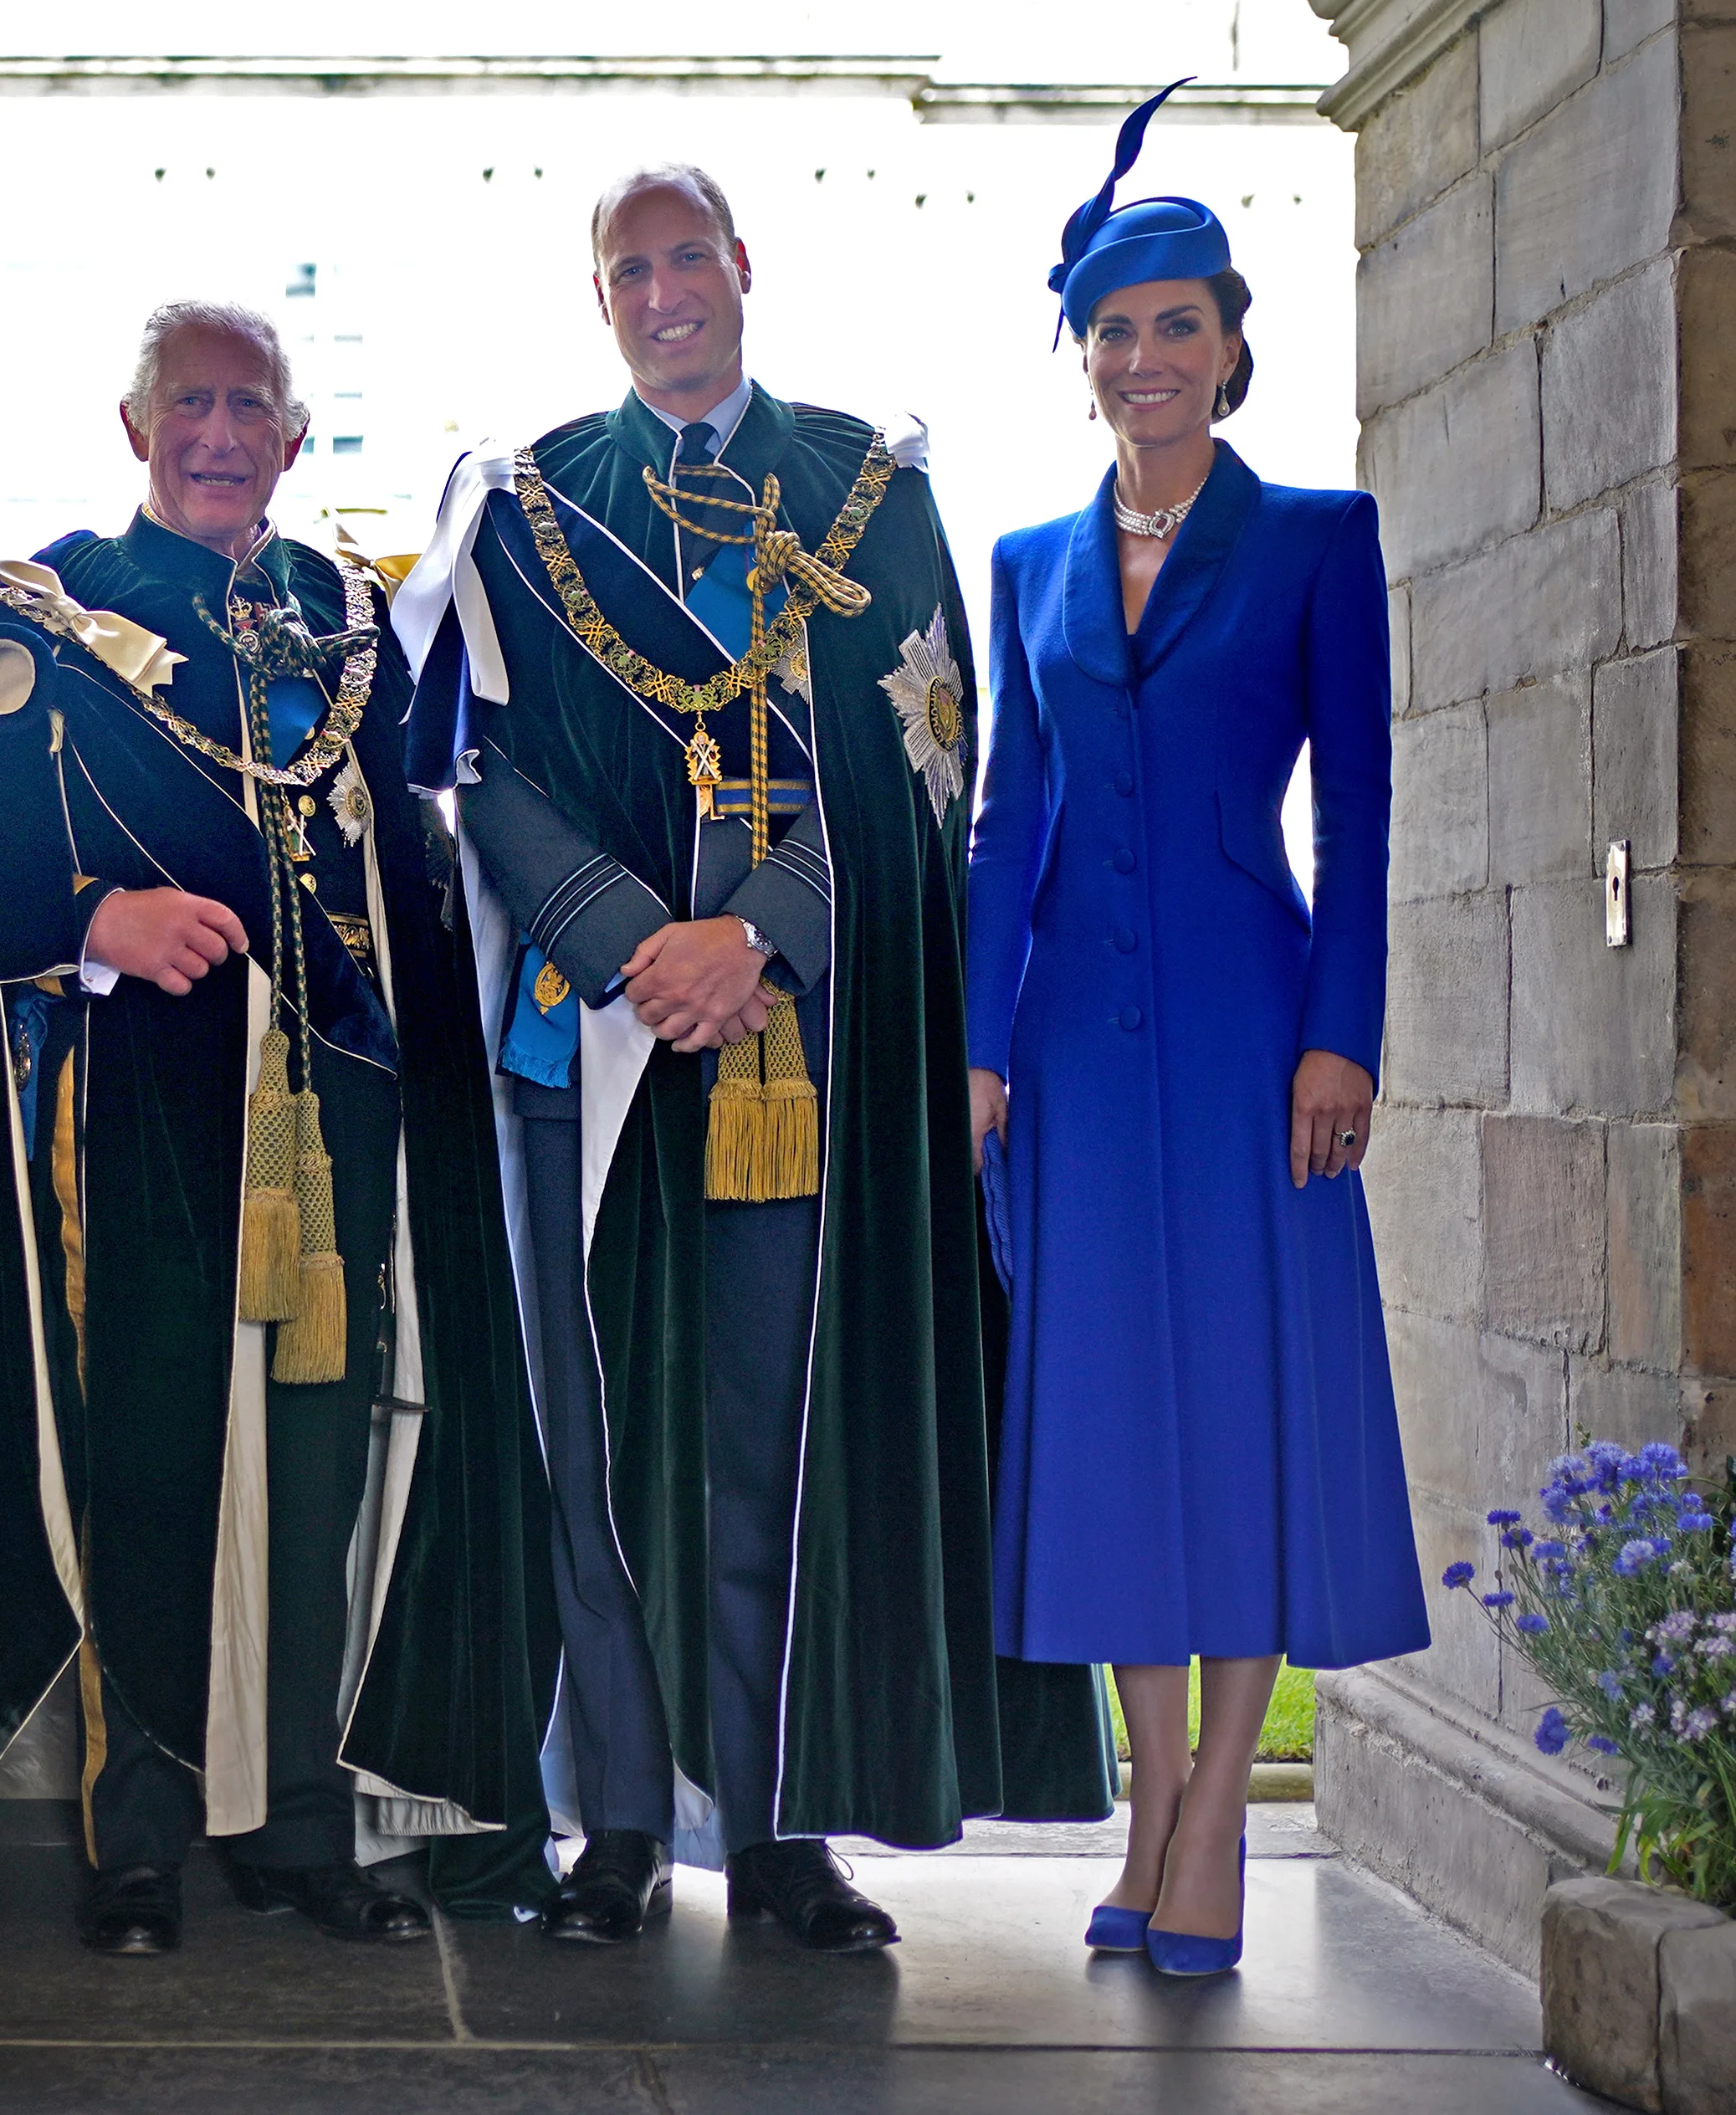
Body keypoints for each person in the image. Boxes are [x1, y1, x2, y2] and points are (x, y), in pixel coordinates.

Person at [387, 165, 1115, 1953]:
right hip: (587, 1042)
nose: (661, 293)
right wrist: (632, 944)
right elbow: (482, 774)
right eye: (627, 269)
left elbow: (924, 763)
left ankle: (784, 1827)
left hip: (800, 1061)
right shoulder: (527, 500)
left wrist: (755, 936)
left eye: (685, 259)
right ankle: (619, 1823)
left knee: (770, 1439)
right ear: (602, 297)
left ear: (741, 270)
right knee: (599, 1441)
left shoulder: (873, 491)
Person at [0, 301, 550, 1956]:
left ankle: (298, 1822)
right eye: (192, 401)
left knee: (318, 1478)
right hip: (141, 1119)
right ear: (133, 425)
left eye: (254, 405)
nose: (222, 431)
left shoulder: (350, 617)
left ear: (295, 437)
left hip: (343, 1116)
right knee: (154, 1464)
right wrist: (93, 913)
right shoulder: (36, 617)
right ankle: (142, 1830)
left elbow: (418, 841)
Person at [965, 84, 1429, 1979]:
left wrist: (1348, 1032)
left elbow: (1367, 809)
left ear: (1232, 345)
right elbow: (1009, 812)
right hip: (1070, 1037)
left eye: (1176, 325)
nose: (1143, 358)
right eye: (1113, 330)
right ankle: (1151, 1785)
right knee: (1103, 1418)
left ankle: (1220, 1801)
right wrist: (983, 1041)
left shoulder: (1320, 538)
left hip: (1256, 1036)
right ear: (1082, 362)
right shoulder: (1028, 564)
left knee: (1239, 1410)